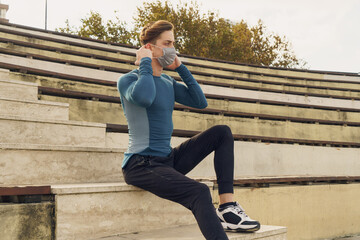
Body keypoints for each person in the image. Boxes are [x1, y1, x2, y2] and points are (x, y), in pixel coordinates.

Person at [117, 20, 260, 240]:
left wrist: (181, 68)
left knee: (222, 132)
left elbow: (200, 101)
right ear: (149, 47)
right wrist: (145, 63)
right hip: (141, 164)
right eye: (167, 43)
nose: (172, 48)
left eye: (173, 43)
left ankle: (227, 207)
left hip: (168, 160)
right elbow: (144, 97)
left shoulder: (167, 82)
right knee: (200, 191)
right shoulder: (128, 80)